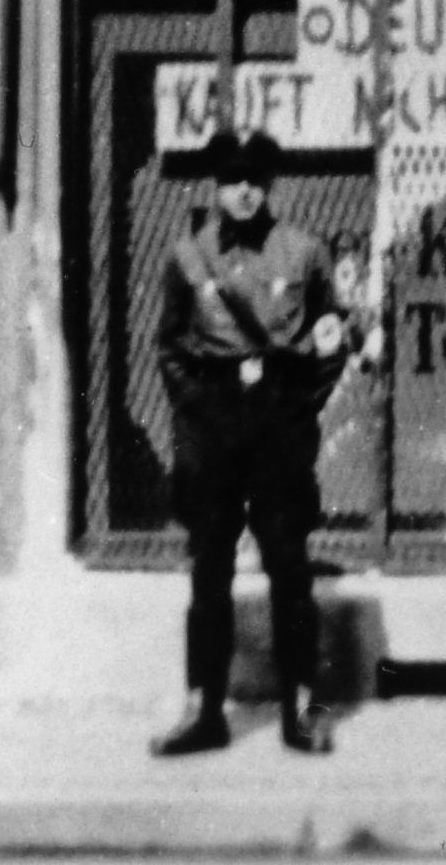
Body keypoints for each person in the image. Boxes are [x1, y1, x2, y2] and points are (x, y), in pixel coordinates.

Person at [151, 127, 349, 757]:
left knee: (289, 567)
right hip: (213, 428)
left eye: (254, 181)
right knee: (208, 569)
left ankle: (300, 709)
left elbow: (331, 337)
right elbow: (170, 347)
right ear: (217, 186)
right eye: (232, 181)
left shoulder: (304, 252)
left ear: (270, 185)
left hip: (277, 427)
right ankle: (203, 709)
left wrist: (301, 406)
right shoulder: (188, 257)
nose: (244, 193)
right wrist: (198, 412)